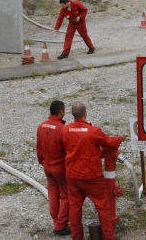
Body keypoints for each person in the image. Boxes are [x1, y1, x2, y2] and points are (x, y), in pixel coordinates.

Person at [62, 102, 126, 240]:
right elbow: (110, 143)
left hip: (73, 176)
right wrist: (120, 138)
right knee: (103, 207)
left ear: (72, 114)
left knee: (74, 208)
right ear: (85, 114)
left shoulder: (65, 130)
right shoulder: (93, 131)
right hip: (92, 177)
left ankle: (77, 236)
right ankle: (109, 237)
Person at [37, 101, 71, 237]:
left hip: (47, 167)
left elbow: (38, 148)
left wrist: (43, 162)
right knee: (66, 196)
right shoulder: (62, 129)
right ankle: (60, 225)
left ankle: (56, 221)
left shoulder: (41, 126)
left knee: (52, 196)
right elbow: (68, 151)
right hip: (60, 168)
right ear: (61, 112)